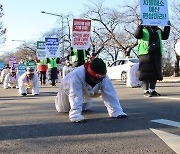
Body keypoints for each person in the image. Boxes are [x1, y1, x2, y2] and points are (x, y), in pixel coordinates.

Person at [55, 57, 127, 123]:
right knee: (64, 109)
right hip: (66, 89)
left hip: (86, 90)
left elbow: (110, 93)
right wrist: (75, 115)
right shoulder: (77, 75)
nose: (98, 81)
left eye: (100, 79)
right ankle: (75, 113)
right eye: (96, 79)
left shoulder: (104, 77)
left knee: (85, 108)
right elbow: (75, 94)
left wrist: (117, 111)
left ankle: (115, 111)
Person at [134, 20, 171, 97]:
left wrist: (167, 26)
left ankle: (153, 90)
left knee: (155, 73)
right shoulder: (143, 28)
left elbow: (165, 36)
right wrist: (140, 25)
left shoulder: (157, 29)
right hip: (145, 54)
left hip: (156, 54)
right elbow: (136, 35)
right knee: (145, 74)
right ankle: (146, 91)